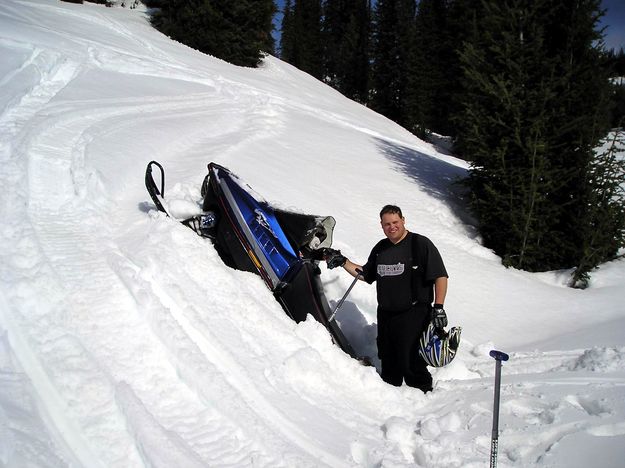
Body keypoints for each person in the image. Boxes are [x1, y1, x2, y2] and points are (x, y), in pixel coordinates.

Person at [325, 205, 449, 392]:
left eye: (395, 222)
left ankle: (423, 396)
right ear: (381, 225)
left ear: (403, 220)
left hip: (414, 312)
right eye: (387, 224)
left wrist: (438, 306)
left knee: (411, 360)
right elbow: (366, 274)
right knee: (388, 358)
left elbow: (440, 276)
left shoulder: (419, 244)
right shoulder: (381, 248)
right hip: (386, 314)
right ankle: (391, 395)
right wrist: (344, 262)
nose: (392, 227)